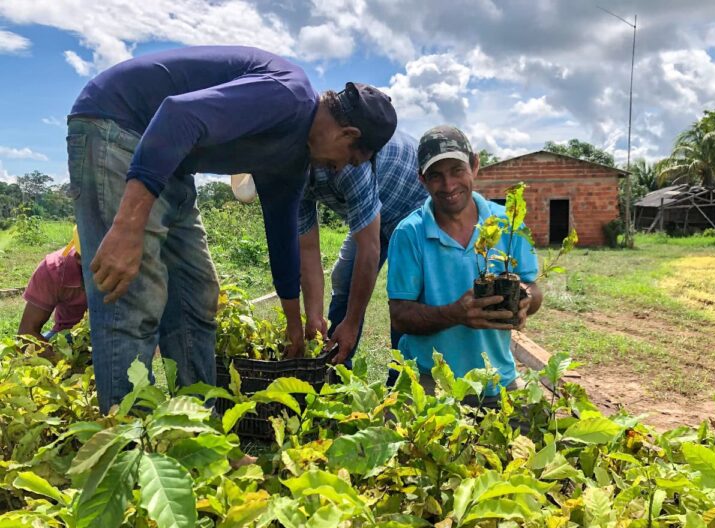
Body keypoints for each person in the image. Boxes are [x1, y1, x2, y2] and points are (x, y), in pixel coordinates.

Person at [67, 46, 397, 413]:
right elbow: (178, 115)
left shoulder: (295, 160)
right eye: (352, 158)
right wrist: (128, 227)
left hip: (172, 160)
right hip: (121, 124)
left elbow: (283, 237)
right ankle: (125, 435)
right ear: (347, 133)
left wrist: (294, 324)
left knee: (197, 294)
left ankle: (197, 425)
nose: (342, 168)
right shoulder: (290, 97)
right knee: (131, 294)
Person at [386, 125, 543, 403]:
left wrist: (525, 300)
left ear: (475, 165)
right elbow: (399, 316)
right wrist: (456, 314)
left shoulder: (507, 223)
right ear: (422, 179)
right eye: (436, 176)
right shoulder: (409, 233)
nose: (448, 186)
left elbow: (533, 287)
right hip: (430, 381)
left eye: (457, 170)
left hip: (498, 379)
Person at [298, 129, 427, 364]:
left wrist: (352, 323)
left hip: (411, 202)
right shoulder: (291, 181)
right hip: (374, 209)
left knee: (406, 293)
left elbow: (369, 249)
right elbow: (307, 249)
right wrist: (314, 315)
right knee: (344, 280)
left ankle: (401, 377)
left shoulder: (347, 162)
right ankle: (335, 368)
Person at [19, 226, 87, 342]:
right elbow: (27, 333)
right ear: (78, 257)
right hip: (69, 335)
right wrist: (53, 353)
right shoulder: (53, 269)